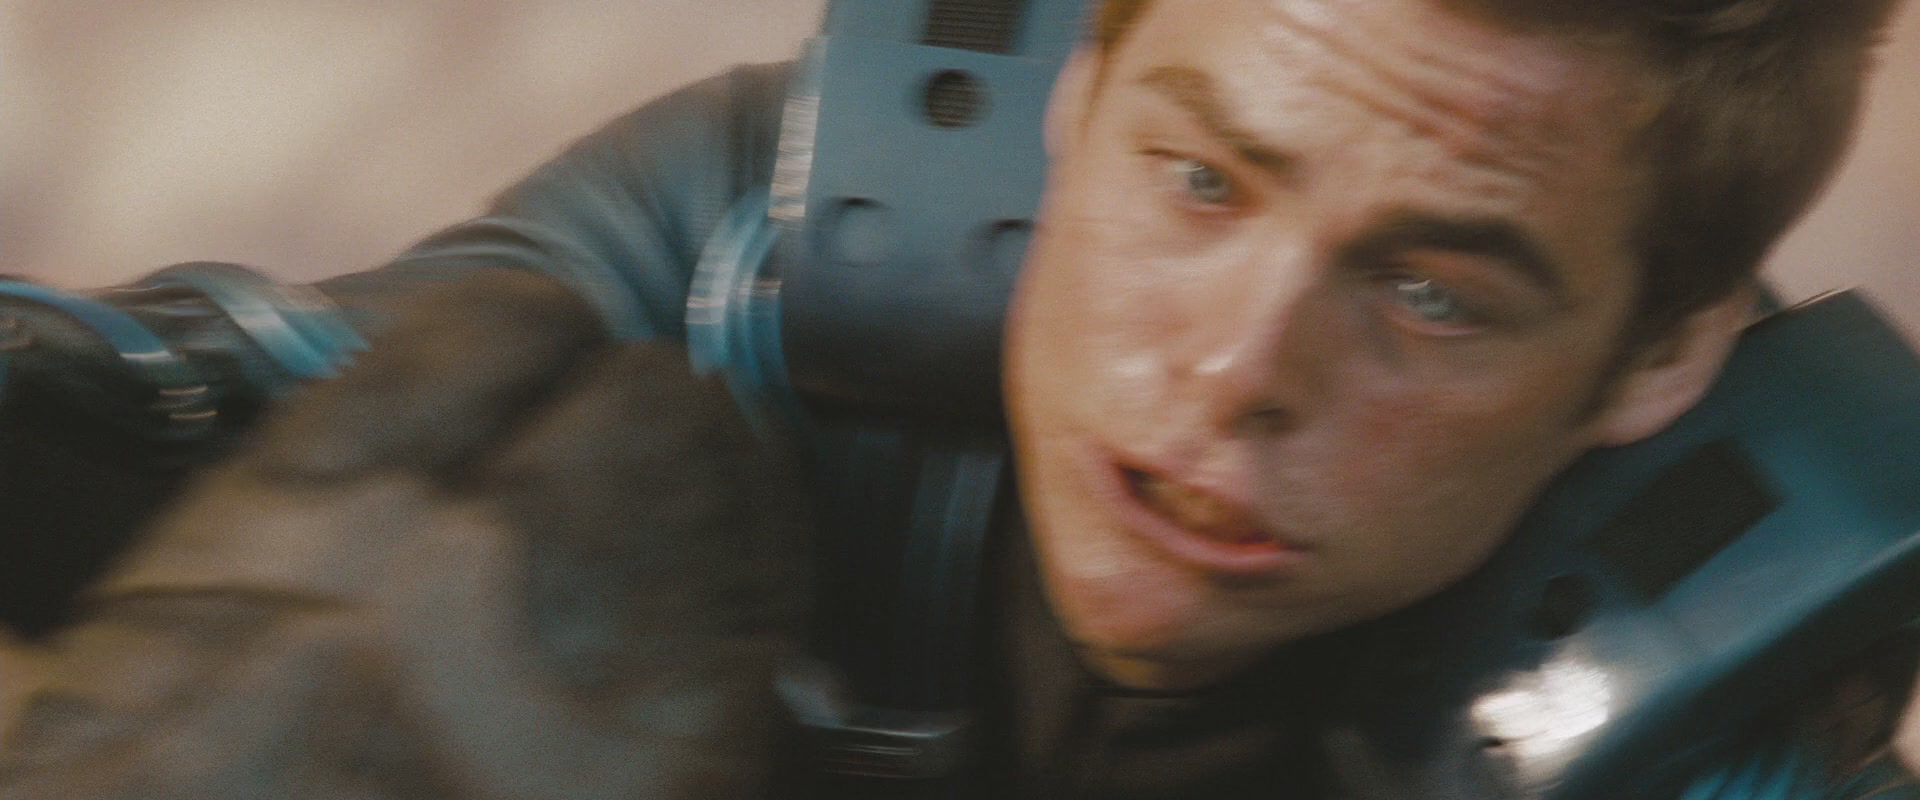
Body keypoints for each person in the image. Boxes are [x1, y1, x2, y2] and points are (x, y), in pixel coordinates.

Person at [0, 0, 1915, 797]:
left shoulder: (1714, 712)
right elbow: (156, 406)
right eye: (1201, 180)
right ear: (1075, 98)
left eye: (1430, 295)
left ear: (1660, 356)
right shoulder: (751, 269)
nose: (1235, 374)